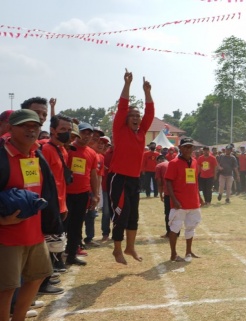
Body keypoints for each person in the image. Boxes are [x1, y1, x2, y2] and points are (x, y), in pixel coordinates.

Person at [0, 109, 53, 321]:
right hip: (7, 236)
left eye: (35, 125)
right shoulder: (2, 156)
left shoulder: (35, 154)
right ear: (10, 128)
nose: (31, 129)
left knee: (38, 275)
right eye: (24, 126)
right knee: (6, 287)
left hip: (33, 231)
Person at [107, 69, 154, 264]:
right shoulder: (120, 129)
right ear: (126, 119)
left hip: (135, 179)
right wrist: (127, 84)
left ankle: (130, 248)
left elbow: (150, 113)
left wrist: (147, 92)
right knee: (121, 215)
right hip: (119, 178)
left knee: (133, 215)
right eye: (132, 115)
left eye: (138, 115)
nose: (136, 117)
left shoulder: (142, 131)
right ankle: (117, 249)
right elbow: (122, 107)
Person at [37, 114, 73, 294]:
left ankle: (47, 276)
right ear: (52, 131)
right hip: (49, 205)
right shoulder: (46, 149)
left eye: (69, 130)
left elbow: (60, 181)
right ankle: (42, 283)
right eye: (62, 130)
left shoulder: (62, 150)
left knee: (53, 244)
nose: (67, 133)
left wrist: (63, 205)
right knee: (47, 244)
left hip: (59, 204)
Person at [65, 123, 99, 266]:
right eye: (84, 132)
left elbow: (93, 175)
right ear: (78, 133)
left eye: (89, 134)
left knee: (77, 226)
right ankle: (56, 257)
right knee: (62, 226)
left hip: (82, 195)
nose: (87, 136)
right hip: (66, 194)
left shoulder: (92, 153)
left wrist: (95, 195)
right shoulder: (68, 149)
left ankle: (71, 255)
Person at [165, 137, 203, 262]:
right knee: (175, 228)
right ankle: (173, 254)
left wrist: (199, 196)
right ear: (180, 148)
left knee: (191, 227)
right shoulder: (174, 163)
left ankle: (188, 251)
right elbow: (168, 182)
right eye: (185, 146)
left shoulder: (195, 161)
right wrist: (174, 200)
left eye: (190, 146)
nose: (188, 149)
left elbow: (195, 181)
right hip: (179, 202)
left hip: (193, 201)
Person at [155, 154, 171, 238]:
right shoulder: (173, 163)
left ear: (159, 160)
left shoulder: (159, 166)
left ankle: (169, 232)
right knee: (176, 213)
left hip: (168, 193)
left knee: (168, 213)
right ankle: (176, 232)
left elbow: (159, 182)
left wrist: (160, 194)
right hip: (178, 193)